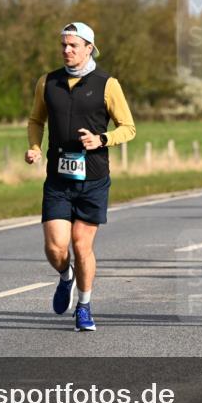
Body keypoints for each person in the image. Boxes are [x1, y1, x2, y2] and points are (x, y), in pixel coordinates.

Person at [26, 22, 136, 332]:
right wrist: (34, 147)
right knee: (55, 247)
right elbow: (36, 120)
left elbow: (128, 127)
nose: (66, 50)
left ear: (89, 48)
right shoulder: (47, 82)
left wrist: (102, 139)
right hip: (58, 178)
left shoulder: (107, 84)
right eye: (63, 44)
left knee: (80, 244)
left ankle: (84, 306)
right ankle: (65, 276)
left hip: (94, 178)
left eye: (73, 45)